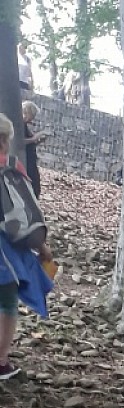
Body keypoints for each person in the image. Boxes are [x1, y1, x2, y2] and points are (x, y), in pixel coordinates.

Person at [0, 113, 54, 379]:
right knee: (7, 302)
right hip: (7, 246)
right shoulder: (11, 167)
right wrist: (42, 246)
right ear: (5, 141)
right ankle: (0, 361)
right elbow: (28, 211)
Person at [22, 101, 44, 198]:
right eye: (33, 115)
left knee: (35, 184)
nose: (33, 118)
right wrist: (34, 138)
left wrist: (38, 141)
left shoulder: (25, 125)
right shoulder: (19, 124)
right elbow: (19, 142)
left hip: (31, 159)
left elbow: (30, 143)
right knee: (33, 183)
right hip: (25, 159)